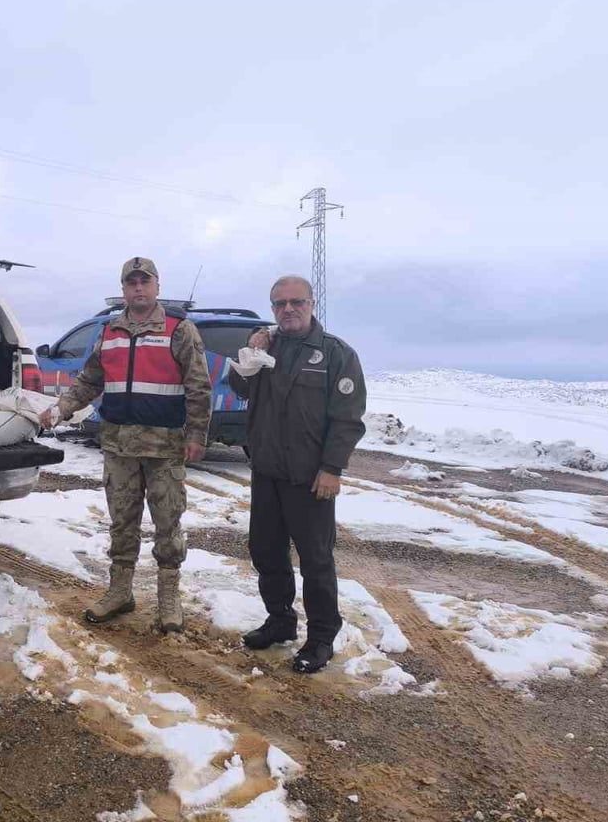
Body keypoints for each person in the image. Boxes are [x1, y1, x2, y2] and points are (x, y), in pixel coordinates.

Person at [41, 257, 212, 632]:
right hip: (119, 447)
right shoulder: (109, 332)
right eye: (131, 282)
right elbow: (89, 381)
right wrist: (62, 408)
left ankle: (168, 599)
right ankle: (120, 592)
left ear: (156, 286)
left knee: (168, 524)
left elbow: (199, 386)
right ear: (123, 289)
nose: (138, 288)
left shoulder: (179, 329)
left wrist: (197, 434)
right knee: (122, 523)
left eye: (144, 281)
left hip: (164, 448)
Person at [227, 275, 366, 674]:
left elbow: (348, 419)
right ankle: (280, 620)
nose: (288, 309)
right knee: (266, 551)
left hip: (310, 477)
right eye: (280, 304)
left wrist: (332, 468)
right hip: (267, 471)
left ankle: (321, 639)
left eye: (296, 302)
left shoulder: (335, 354)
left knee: (316, 560)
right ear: (273, 308)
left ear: (311, 304)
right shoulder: (266, 346)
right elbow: (239, 387)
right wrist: (251, 353)